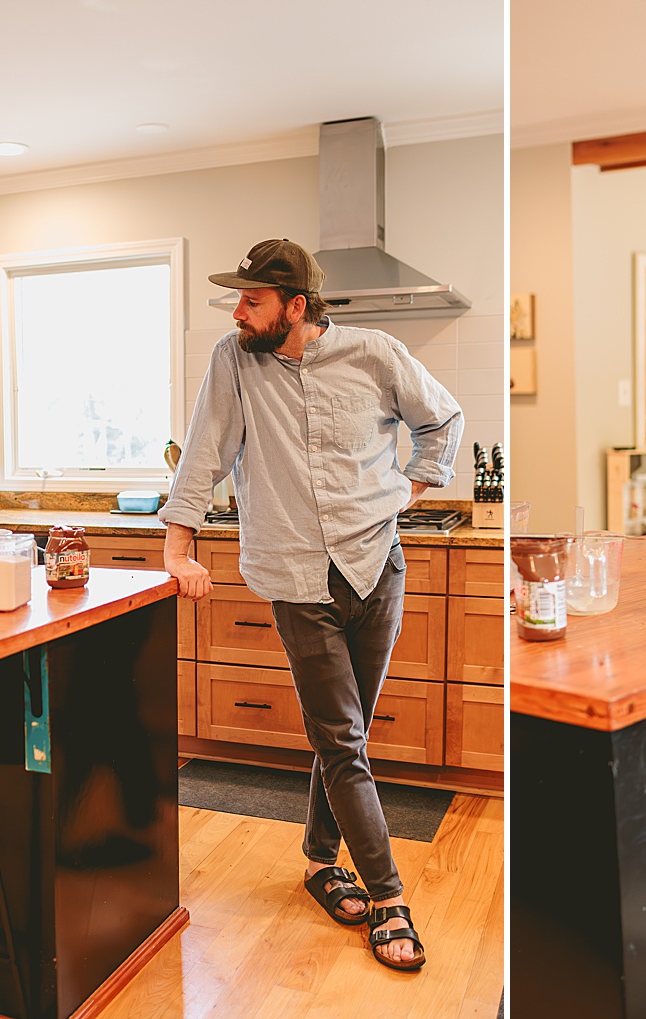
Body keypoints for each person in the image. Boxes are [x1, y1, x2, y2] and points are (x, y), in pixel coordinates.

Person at [160, 239, 463, 972]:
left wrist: (408, 491)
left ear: (296, 307)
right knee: (344, 737)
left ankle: (320, 861)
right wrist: (176, 547)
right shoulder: (235, 361)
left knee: (342, 737)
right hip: (297, 576)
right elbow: (203, 452)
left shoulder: (376, 354)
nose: (238, 311)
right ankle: (389, 896)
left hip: (376, 568)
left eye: (252, 299)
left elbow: (443, 420)